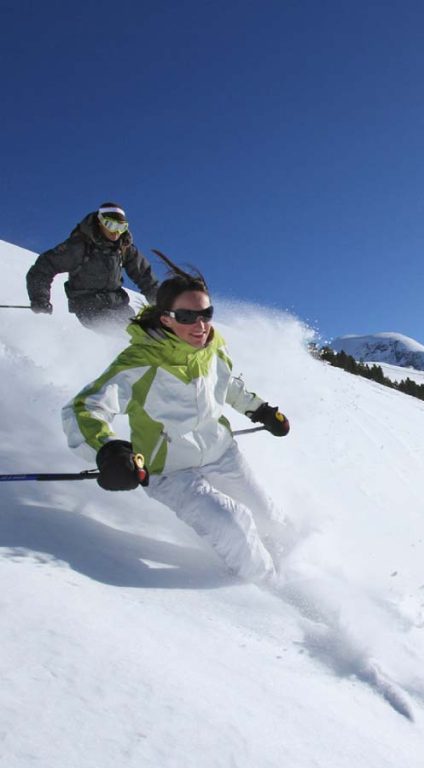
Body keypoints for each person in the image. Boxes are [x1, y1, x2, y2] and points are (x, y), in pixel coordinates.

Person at [61, 253, 293, 582]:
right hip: (168, 470)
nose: (200, 325)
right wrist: (109, 450)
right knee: (233, 526)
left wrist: (263, 412)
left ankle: (293, 564)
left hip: (220, 451)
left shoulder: (214, 348)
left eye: (206, 314)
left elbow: (229, 387)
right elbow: (85, 408)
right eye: (187, 315)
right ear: (167, 318)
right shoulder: (141, 360)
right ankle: (271, 592)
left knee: (270, 519)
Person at [26, 202, 159, 330]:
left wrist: (162, 304)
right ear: (100, 222)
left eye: (121, 227)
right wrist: (40, 298)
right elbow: (43, 268)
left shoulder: (123, 248)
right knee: (126, 337)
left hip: (119, 305)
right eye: (110, 225)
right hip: (89, 308)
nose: (116, 232)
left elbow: (145, 277)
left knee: (147, 335)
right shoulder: (79, 247)